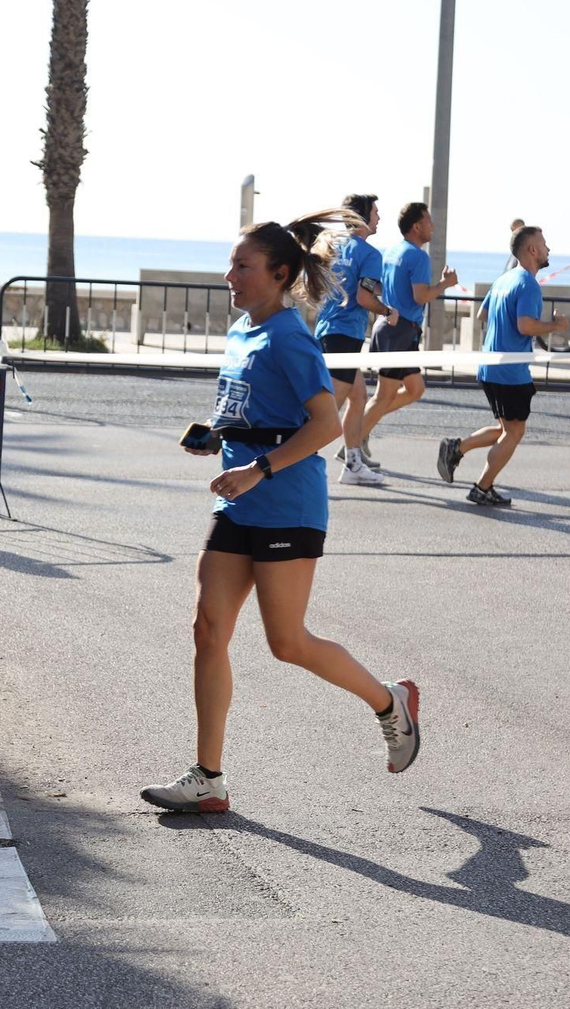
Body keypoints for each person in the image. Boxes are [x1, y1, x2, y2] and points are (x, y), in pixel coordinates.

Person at [140, 210, 421, 813]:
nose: (229, 275)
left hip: (286, 503)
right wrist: (218, 436)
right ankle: (208, 777)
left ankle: (387, 701)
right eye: (232, 263)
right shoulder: (243, 330)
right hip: (237, 501)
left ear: (280, 273)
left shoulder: (292, 336)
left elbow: (324, 425)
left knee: (287, 642)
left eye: (243, 265)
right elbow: (254, 411)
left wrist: (258, 468)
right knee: (207, 630)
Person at [436, 227, 567, 506]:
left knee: (504, 428)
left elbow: (483, 314)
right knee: (515, 431)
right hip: (510, 370)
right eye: (544, 244)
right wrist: (555, 325)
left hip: (490, 365)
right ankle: (481, 487)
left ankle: (457, 448)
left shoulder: (504, 279)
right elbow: (525, 326)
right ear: (532, 250)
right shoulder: (529, 284)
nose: (548, 249)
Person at [360, 202, 458, 466]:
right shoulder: (418, 256)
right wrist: (445, 284)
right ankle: (354, 441)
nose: (433, 226)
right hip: (399, 329)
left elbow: (381, 287)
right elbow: (421, 295)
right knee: (384, 396)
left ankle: (360, 430)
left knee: (415, 389)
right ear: (417, 226)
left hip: (392, 327)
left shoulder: (392, 251)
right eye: (428, 220)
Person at [315, 194, 391, 487]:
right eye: (375, 212)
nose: (379, 218)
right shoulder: (370, 254)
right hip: (345, 334)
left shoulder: (333, 246)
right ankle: (289, 460)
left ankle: (353, 464)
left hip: (325, 329)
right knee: (327, 409)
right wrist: (387, 310)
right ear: (362, 217)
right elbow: (364, 297)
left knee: (358, 397)